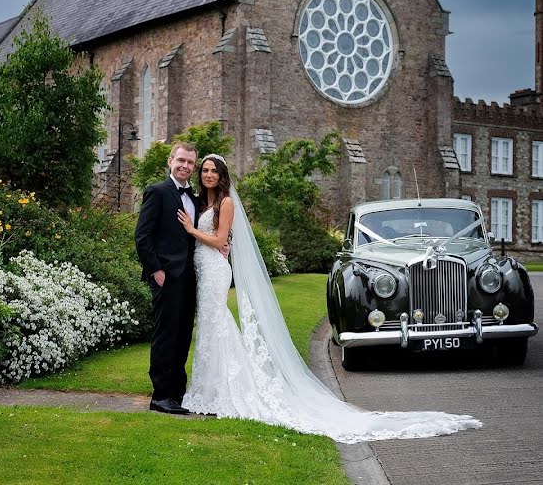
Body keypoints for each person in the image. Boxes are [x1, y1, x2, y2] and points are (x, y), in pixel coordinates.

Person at [175, 153, 482, 443]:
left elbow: (218, 239)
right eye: (205, 171)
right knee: (210, 325)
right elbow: (219, 239)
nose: (209, 175)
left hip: (214, 269)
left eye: (214, 171)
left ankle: (225, 390)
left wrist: (191, 230)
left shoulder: (226, 202)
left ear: (222, 175)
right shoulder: (203, 202)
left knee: (218, 321)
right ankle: (209, 389)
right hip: (203, 267)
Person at [134, 141, 199, 414]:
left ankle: (177, 392)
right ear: (170, 161)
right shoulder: (157, 192)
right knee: (165, 334)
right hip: (166, 277)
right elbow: (142, 236)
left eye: (190, 163)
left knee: (184, 334)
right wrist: (156, 270)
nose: (185, 166)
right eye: (181, 160)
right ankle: (160, 395)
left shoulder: (195, 198)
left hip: (189, 279)